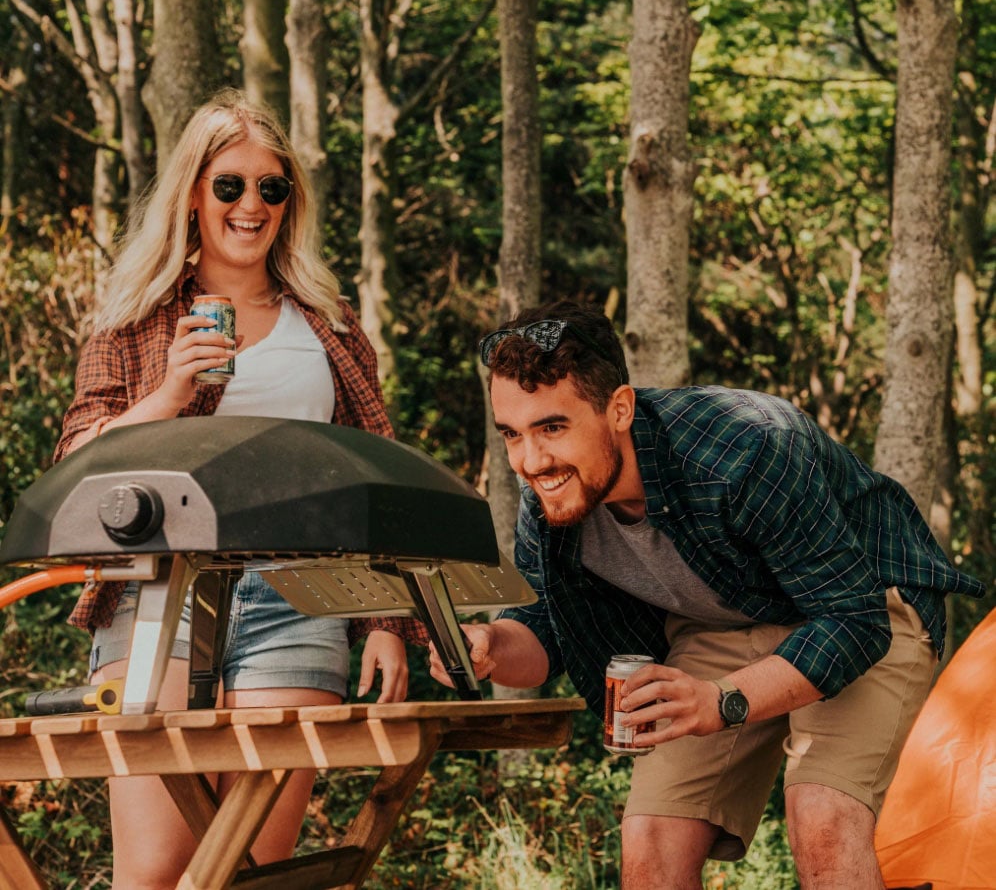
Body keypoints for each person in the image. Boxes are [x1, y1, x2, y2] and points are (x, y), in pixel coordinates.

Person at [429, 299, 986, 890]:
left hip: (866, 604)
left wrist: (720, 700)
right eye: (512, 434)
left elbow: (854, 621)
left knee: (822, 815)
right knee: (650, 840)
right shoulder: (549, 493)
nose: (532, 460)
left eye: (553, 427)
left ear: (619, 409)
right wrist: (488, 644)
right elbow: (545, 628)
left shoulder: (747, 447)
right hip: (722, 625)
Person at [55, 89, 427, 888]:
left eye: (272, 187)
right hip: (159, 598)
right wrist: (167, 396)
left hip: (299, 594)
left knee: (255, 865)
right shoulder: (137, 321)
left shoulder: (327, 323)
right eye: (230, 185)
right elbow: (73, 469)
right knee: (156, 868)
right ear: (194, 192)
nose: (251, 205)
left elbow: (376, 477)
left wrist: (392, 620)